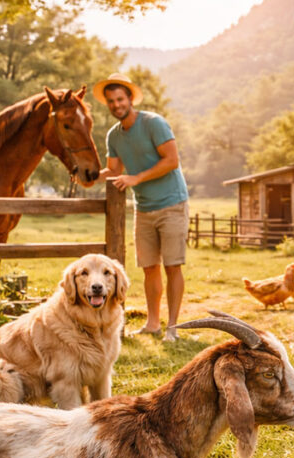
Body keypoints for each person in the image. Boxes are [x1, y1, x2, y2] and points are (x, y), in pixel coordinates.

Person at [94, 73, 189, 342]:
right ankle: (153, 323)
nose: (116, 105)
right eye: (111, 101)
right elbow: (113, 170)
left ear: (130, 99)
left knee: (172, 266)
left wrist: (136, 178)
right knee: (149, 267)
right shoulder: (114, 136)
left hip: (172, 203)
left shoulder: (153, 123)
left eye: (120, 99)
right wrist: (90, 176)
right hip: (144, 208)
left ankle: (173, 327)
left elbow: (171, 160)